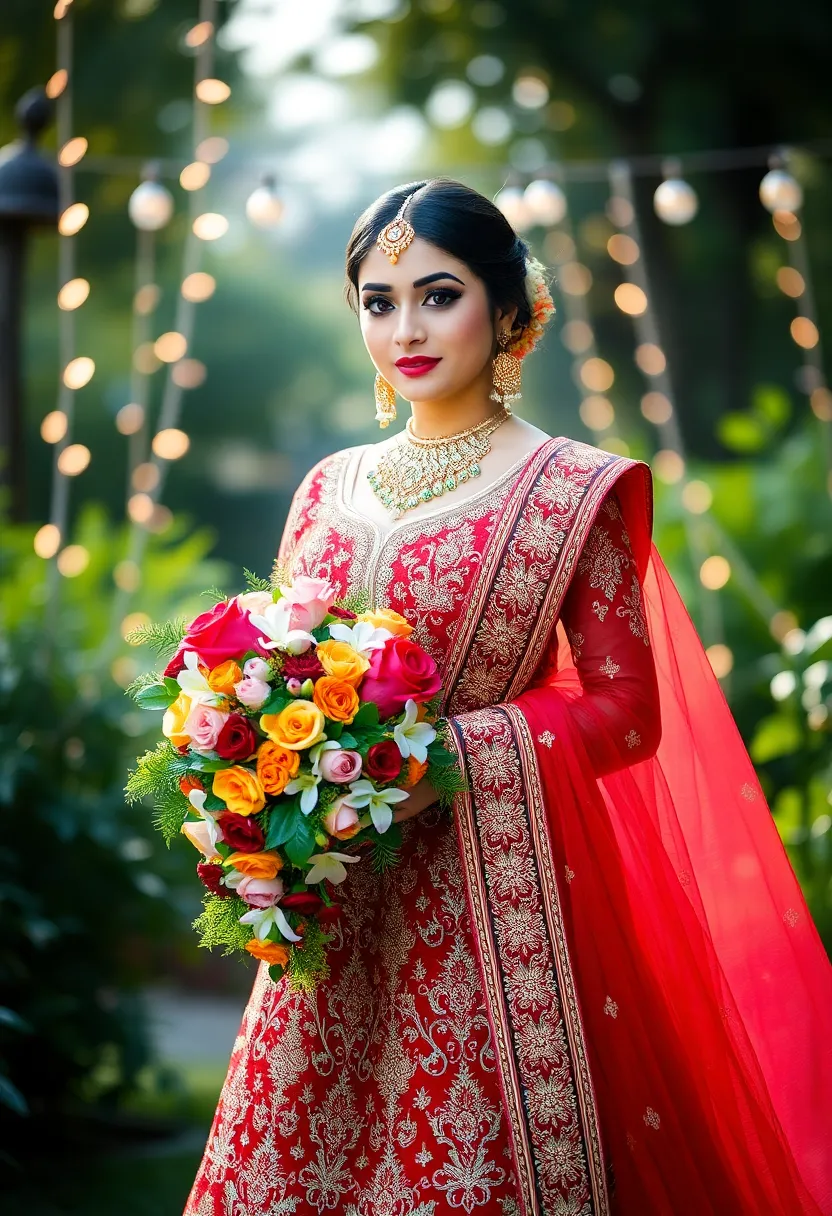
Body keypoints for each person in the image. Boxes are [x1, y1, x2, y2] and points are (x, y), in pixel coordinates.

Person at [185, 179, 831, 1215]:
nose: (405, 327)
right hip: (337, 900)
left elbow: (628, 710)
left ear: (510, 307)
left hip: (499, 906)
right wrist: (252, 767)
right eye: (377, 299)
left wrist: (430, 762)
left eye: (438, 295)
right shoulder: (326, 485)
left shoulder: (575, 488)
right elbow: (280, 662)